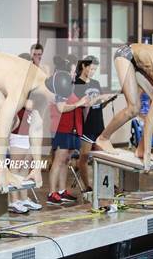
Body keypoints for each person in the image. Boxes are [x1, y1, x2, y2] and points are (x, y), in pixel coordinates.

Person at [0, 52, 73, 193]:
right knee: (9, 120)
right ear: (53, 93)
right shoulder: (22, 87)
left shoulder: (43, 90)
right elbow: (1, 129)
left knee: (13, 121)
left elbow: (36, 129)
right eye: (58, 100)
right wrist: (2, 170)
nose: (57, 104)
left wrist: (36, 167)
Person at [47, 64, 90, 205]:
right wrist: (79, 103)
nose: (74, 74)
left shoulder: (70, 88)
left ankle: (61, 191)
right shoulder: (60, 86)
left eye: (74, 71)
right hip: (62, 129)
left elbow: (77, 105)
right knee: (58, 161)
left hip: (73, 129)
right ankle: (51, 193)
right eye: (71, 71)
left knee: (66, 161)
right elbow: (61, 108)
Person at [74, 56, 116, 192]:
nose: (93, 71)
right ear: (84, 67)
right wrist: (98, 98)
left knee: (103, 157)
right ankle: (87, 186)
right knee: (84, 156)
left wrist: (108, 100)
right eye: (91, 68)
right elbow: (84, 104)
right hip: (86, 126)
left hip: (98, 124)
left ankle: (106, 183)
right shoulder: (77, 84)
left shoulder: (96, 83)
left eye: (95, 69)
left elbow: (98, 105)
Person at [7, 53, 42, 213]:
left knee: (25, 168)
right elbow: (25, 104)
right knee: (15, 167)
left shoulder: (30, 84)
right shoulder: (14, 83)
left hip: (29, 131)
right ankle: (12, 200)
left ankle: (23, 198)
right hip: (17, 132)